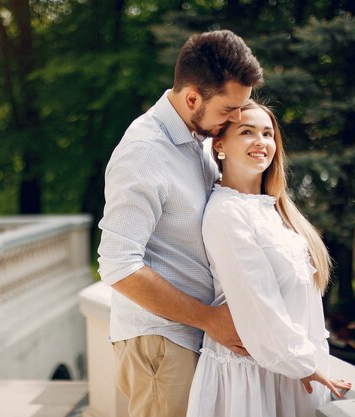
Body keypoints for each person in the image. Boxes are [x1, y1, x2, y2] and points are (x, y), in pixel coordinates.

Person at [97, 30, 263, 417]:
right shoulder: (144, 152)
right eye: (228, 110)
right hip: (161, 340)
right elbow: (118, 266)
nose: (236, 119)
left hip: (190, 338)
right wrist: (210, 319)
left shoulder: (196, 142)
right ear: (192, 98)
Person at [186, 100, 351, 417]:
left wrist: (306, 364)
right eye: (247, 132)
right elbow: (258, 298)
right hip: (251, 379)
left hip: (293, 373)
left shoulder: (275, 211)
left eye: (268, 133)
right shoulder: (226, 212)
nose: (261, 142)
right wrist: (303, 365)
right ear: (220, 145)